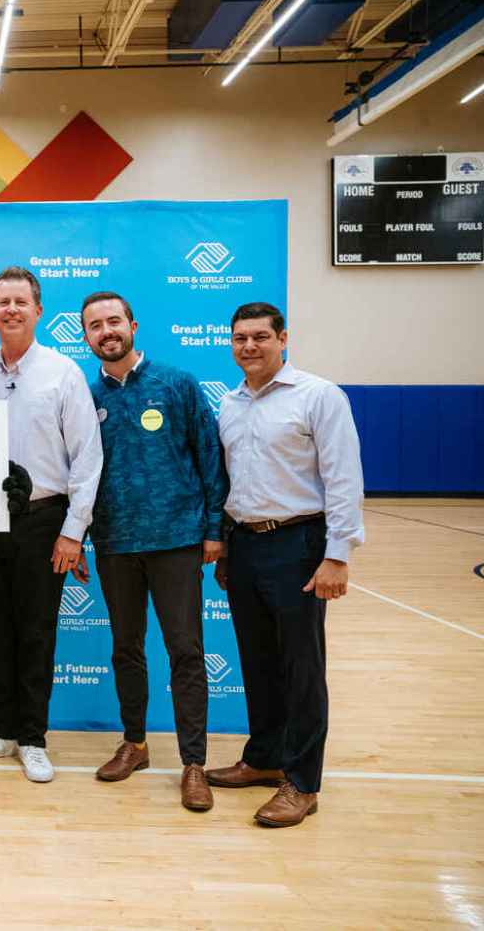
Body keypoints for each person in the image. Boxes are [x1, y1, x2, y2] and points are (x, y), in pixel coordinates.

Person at [210, 302, 364, 828]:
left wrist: (337, 555)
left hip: (299, 543)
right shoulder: (229, 404)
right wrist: (228, 546)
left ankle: (302, 782)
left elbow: (344, 478)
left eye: (259, 337)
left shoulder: (319, 397)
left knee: (302, 668)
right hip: (247, 545)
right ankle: (264, 759)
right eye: (239, 338)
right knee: (258, 661)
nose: (248, 346)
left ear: (283, 338)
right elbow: (232, 482)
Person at [82, 292, 228, 811]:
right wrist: (76, 535)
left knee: (186, 651)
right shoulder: (83, 394)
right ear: (86, 336)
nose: (107, 331)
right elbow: (76, 473)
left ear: (133, 324)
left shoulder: (178, 383)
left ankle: (194, 764)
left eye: (114, 321)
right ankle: (135, 744)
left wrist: (215, 531)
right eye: (95, 326)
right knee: (126, 648)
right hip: (115, 542)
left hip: (176, 541)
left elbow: (210, 458)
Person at [0, 267, 103, 782]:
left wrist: (73, 531)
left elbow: (87, 457)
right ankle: (1, 730)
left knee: (37, 632)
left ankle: (33, 737)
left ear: (38, 311)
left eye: (22, 301)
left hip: (45, 521)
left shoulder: (63, 373)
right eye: (4, 302)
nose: (13, 309)